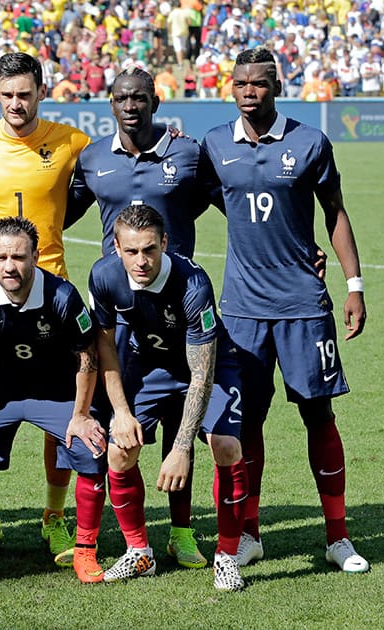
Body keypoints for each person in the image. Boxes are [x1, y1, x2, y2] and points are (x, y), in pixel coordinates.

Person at [200, 47, 369, 574]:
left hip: (303, 306)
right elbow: (208, 195)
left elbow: (335, 211)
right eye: (240, 84)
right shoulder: (214, 145)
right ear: (231, 88)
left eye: (260, 84)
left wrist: (354, 285)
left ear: (277, 85)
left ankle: (337, 538)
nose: (250, 92)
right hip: (244, 310)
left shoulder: (310, 142)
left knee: (318, 414)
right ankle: (248, 534)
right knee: (244, 421)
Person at [67, 67, 212, 570]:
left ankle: (182, 532)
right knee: (116, 428)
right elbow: (61, 213)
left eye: (140, 98)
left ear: (155, 100)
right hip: (120, 315)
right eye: (123, 98)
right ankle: (123, 540)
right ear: (111, 103)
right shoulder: (92, 158)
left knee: (180, 427)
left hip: (178, 306)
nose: (131, 106)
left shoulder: (187, 153)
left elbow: (230, 198)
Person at [0, 51, 91, 564]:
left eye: (25, 93)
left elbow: (92, 187)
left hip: (51, 287)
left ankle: (54, 517)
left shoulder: (70, 141)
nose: (16, 103)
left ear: (41, 91)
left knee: (57, 406)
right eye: (7, 94)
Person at [89, 205, 249, 591]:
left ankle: (227, 558)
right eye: (131, 251)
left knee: (226, 445)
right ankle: (139, 552)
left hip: (209, 367)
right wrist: (121, 413)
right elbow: (106, 349)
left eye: (149, 250)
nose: (140, 261)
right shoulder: (104, 275)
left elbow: (201, 376)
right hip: (151, 366)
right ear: (116, 247)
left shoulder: (193, 286)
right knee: (119, 451)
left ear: (164, 243)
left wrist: (181, 447)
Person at [0, 217, 107, 582]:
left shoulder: (63, 296)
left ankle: (84, 551)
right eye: (1, 257)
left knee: (90, 449)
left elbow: (88, 357)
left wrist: (81, 414)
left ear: (36, 255)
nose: (9, 266)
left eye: (19, 257)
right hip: (3, 384)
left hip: (57, 385)